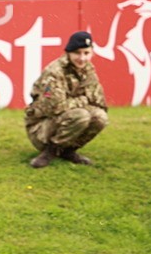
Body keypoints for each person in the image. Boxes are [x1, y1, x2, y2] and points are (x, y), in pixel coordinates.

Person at [24, 31, 108, 168]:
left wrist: (89, 104)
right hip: (41, 129)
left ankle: (68, 151)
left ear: (92, 53)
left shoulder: (88, 70)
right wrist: (82, 101)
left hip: (65, 121)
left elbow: (100, 103)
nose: (82, 58)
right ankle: (49, 152)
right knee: (81, 115)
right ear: (68, 53)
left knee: (100, 117)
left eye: (86, 53)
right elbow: (55, 107)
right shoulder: (54, 72)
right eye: (77, 53)